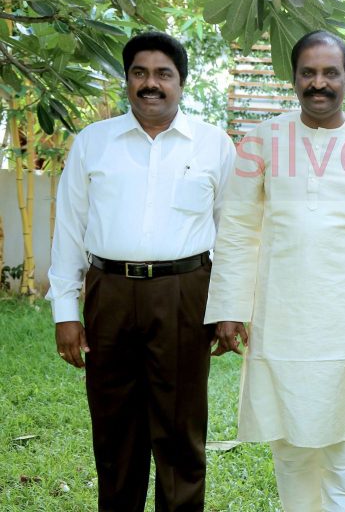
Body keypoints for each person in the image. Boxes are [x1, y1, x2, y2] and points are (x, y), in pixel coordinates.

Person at [204, 30, 345, 512]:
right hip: (281, 324)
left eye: (330, 73)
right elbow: (238, 230)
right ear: (294, 77)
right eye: (309, 72)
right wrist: (230, 309)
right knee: (293, 458)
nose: (318, 83)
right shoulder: (260, 142)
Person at [47, 31, 235, 511]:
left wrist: (231, 308)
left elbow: (232, 235)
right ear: (127, 80)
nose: (151, 84)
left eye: (163, 75)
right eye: (140, 73)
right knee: (115, 433)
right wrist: (66, 313)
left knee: (180, 433)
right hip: (108, 292)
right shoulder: (94, 143)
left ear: (182, 83)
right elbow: (69, 230)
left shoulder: (213, 145)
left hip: (184, 292)